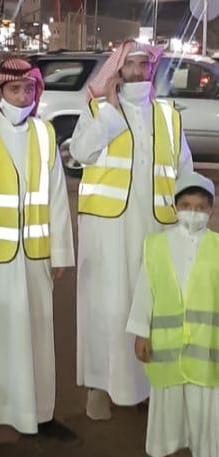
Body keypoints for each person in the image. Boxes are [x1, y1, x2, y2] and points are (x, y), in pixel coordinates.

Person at [71, 40, 193, 420]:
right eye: (132, 65)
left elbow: (184, 171)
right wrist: (110, 110)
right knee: (107, 307)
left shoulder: (168, 115)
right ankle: (100, 387)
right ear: (118, 70)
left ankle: (144, 387)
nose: (139, 72)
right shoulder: (97, 109)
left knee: (151, 309)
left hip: (156, 229)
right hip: (107, 231)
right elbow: (81, 152)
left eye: (145, 65)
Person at [0, 58, 76, 442]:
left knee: (37, 338)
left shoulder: (44, 133)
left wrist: (60, 252)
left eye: (28, 89)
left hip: (34, 257)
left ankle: (39, 414)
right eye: (14, 89)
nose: (22, 96)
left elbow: (57, 197)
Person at [127, 172, 218, 457]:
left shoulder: (217, 247)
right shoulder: (156, 245)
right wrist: (141, 332)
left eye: (201, 207)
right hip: (166, 348)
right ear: (175, 207)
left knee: (202, 409)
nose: (194, 212)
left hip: (206, 350)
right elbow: (145, 291)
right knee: (168, 409)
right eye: (187, 205)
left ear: (211, 210)